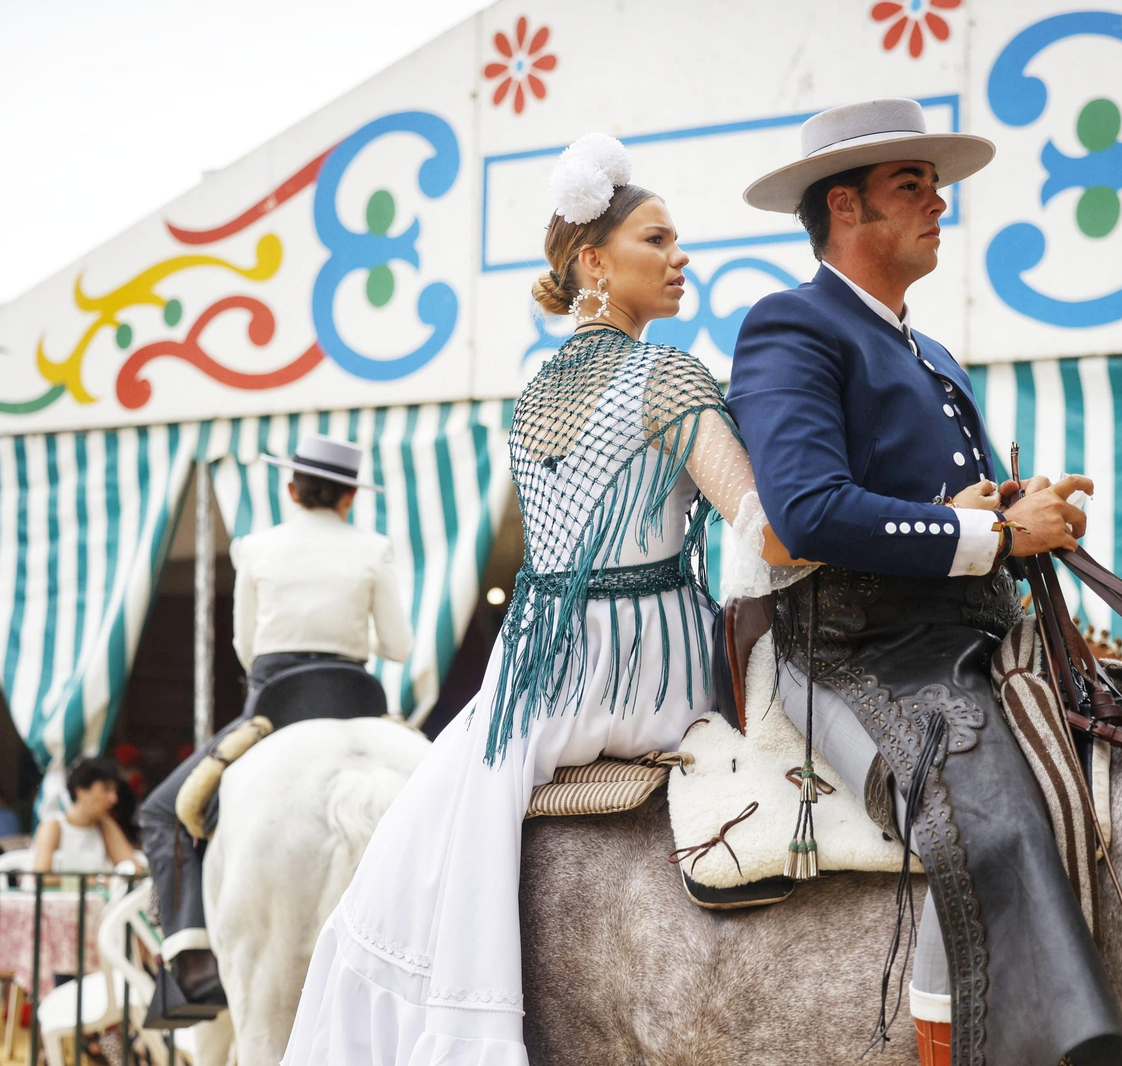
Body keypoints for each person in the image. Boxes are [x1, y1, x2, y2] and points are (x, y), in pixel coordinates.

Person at [282, 134, 801, 1065]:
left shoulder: (534, 392)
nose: (684, 257)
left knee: (420, 837)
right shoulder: (670, 373)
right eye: (659, 238)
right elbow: (757, 525)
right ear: (594, 262)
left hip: (535, 671)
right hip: (647, 667)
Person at [727, 99, 1122, 1066]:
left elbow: (955, 508)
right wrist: (988, 530)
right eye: (912, 186)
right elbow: (809, 511)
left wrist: (1018, 506)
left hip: (967, 636)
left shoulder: (932, 352)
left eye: (935, 185)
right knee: (984, 820)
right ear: (845, 208)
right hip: (851, 649)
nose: (940, 202)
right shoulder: (791, 325)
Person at [139, 432, 413, 1022]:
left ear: (291, 488)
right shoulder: (374, 547)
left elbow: (245, 647)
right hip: (357, 694)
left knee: (163, 811)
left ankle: (192, 956)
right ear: (349, 498)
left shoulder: (256, 547)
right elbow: (398, 644)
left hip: (273, 705)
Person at [31, 757, 137, 873]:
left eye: (114, 791)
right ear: (81, 791)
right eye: (106, 789)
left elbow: (134, 870)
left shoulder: (104, 825)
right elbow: (42, 877)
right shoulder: (54, 826)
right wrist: (100, 881)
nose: (113, 799)